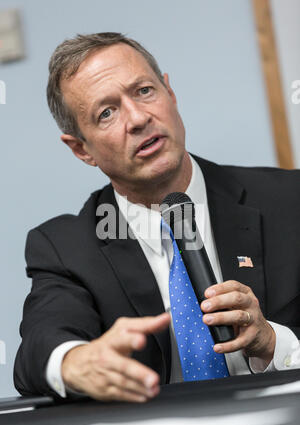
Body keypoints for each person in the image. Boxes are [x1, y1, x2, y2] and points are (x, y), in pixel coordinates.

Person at [14, 33, 300, 403]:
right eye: (107, 112)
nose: (137, 118)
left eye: (144, 91)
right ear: (82, 149)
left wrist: (275, 343)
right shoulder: (65, 248)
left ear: (170, 92)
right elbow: (40, 346)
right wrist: (74, 361)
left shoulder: (289, 201)